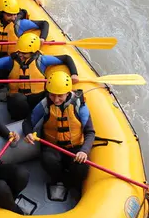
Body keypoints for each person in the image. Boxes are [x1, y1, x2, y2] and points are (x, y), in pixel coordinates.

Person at [23, 71, 95, 200]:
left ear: (68, 93)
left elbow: (90, 132)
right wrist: (28, 133)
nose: (56, 99)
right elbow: (28, 122)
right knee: (47, 159)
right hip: (53, 147)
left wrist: (84, 151)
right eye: (52, 95)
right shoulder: (45, 104)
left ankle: (71, 183)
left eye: (60, 96)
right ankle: (59, 179)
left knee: (82, 168)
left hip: (75, 148)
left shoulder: (80, 106)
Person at [0, 34, 79, 120]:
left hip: (37, 97)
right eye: (19, 52)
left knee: (51, 96)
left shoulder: (42, 60)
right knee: (18, 100)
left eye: (24, 53)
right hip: (18, 99)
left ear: (33, 52)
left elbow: (66, 58)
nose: (20, 55)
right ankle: (23, 119)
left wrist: (74, 74)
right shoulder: (12, 60)